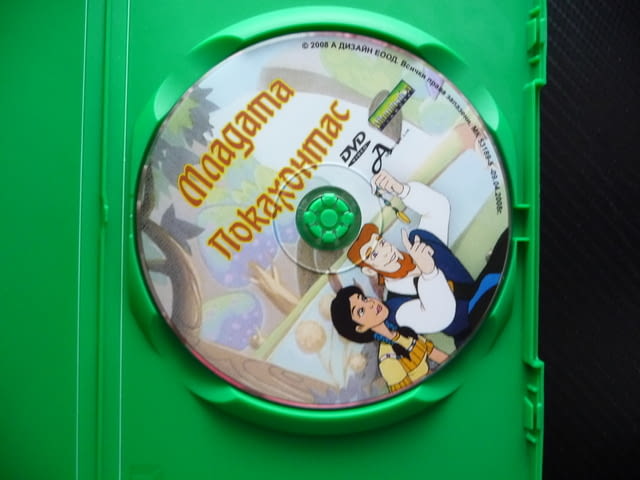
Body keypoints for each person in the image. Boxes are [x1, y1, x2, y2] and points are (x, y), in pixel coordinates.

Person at [347, 170, 506, 346]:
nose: (386, 251)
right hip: (477, 333)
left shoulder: (419, 241)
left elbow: (438, 207)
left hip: (492, 290)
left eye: (381, 243)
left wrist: (401, 190)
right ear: (369, 269)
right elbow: (442, 317)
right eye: (374, 254)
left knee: (509, 241)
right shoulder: (396, 308)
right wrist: (429, 273)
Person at [330, 285, 449, 393]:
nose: (370, 304)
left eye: (364, 299)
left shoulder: (403, 332)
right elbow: (410, 396)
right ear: (360, 328)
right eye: (361, 311)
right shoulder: (387, 359)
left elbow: (437, 354)